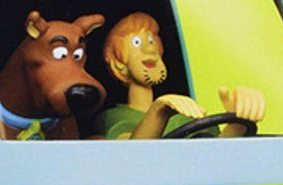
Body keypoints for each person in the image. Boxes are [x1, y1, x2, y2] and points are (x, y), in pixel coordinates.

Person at [98, 12, 265, 139]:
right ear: (119, 64)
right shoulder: (114, 117)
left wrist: (236, 123)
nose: (150, 49)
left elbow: (213, 159)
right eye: (136, 43)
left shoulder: (187, 113)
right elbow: (130, 157)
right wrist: (159, 110)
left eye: (151, 41)